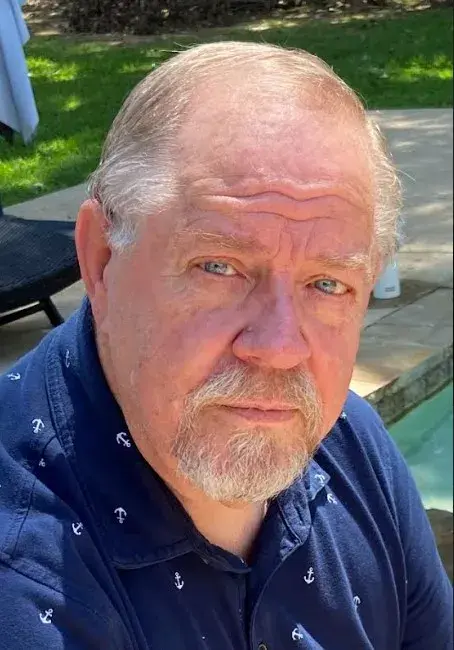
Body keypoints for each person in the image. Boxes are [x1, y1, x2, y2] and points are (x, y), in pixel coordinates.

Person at [0, 41, 452, 650]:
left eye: (327, 284)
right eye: (219, 267)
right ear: (101, 260)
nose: (280, 348)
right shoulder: (23, 590)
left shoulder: (351, 444)